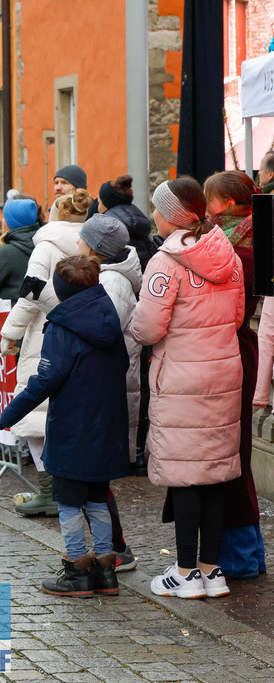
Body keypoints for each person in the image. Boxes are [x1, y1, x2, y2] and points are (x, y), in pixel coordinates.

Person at [131, 177, 244, 600]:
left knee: (185, 478)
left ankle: (184, 573)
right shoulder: (226, 252)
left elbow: (147, 327)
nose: (154, 216)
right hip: (222, 373)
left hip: (180, 376)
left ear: (172, 215)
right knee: (213, 474)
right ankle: (212, 571)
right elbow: (236, 316)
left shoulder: (166, 261)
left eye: (159, 209)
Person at [0, 255, 129, 597]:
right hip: (105, 424)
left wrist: (11, 412)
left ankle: (76, 570)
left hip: (73, 426)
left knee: (70, 501)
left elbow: (47, 378)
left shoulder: (61, 326)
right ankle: (105, 571)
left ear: (61, 289)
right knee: (98, 498)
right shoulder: (107, 316)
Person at [0, 189, 93, 517]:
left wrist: (8, 334)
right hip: (84, 332)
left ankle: (50, 491)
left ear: (54, 214)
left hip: (45, 334)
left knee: (34, 417)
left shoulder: (46, 246)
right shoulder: (90, 243)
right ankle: (67, 488)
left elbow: (29, 294)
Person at [204, 170, 267, 580]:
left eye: (209, 201)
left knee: (230, 456)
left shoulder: (233, 250)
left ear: (225, 205)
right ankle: (248, 555)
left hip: (230, 350)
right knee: (233, 453)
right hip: (238, 348)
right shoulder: (251, 238)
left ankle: (241, 558)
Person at [76, 213, 142, 572]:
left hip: (103, 388)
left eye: (82, 239)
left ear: (94, 247)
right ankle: (112, 547)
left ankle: (116, 549)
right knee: (92, 475)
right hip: (100, 384)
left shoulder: (113, 283)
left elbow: (102, 331)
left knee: (93, 476)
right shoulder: (106, 277)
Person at [96, 174, 158, 475]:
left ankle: (125, 453)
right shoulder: (144, 226)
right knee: (141, 389)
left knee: (124, 390)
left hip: (124, 318)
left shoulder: (109, 231)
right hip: (143, 315)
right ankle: (138, 452)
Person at [0, 196, 40, 303]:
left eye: (5, 217)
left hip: (10, 313)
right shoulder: (43, 244)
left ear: (12, 222)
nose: (2, 220)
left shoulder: (6, 253)